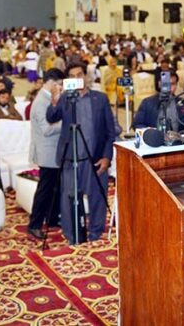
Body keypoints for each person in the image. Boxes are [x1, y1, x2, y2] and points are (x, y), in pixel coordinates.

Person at [47, 62, 115, 244]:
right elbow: (51, 117)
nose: (77, 78)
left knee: (97, 199)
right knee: (68, 200)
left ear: (85, 76)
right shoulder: (65, 99)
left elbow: (110, 131)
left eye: (80, 74)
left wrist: (107, 157)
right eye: (73, 76)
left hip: (95, 159)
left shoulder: (100, 99)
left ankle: (95, 235)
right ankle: (72, 237)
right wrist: (54, 100)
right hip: (70, 158)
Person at [27, 68, 64, 240]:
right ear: (51, 83)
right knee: (45, 190)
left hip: (54, 151)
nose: (61, 88)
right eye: (59, 84)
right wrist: (66, 123)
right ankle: (34, 224)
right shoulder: (41, 102)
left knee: (55, 188)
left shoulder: (50, 99)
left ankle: (52, 218)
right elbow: (47, 129)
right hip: (46, 152)